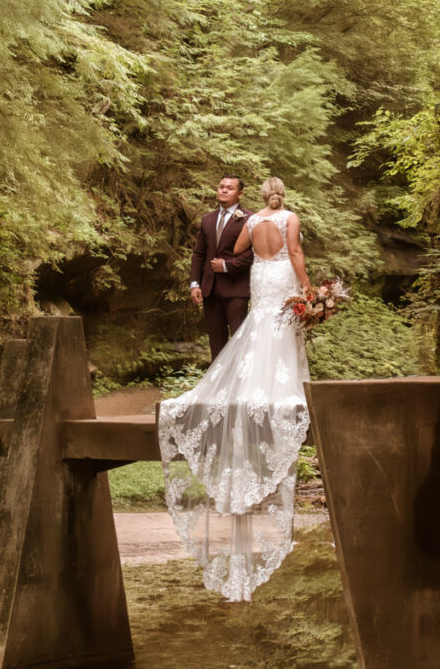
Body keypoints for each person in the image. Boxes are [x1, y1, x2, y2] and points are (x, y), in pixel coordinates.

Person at [158, 176, 312, 602]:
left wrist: (250, 256)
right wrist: (305, 286)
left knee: (258, 330)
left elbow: (238, 251)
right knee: (281, 330)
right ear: (285, 194)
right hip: (281, 273)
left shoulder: (253, 221)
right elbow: (295, 251)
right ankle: (282, 388)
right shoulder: (289, 219)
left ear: (258, 196)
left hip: (261, 278)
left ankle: (248, 384)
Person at [189, 175, 255, 360]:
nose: (224, 190)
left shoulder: (250, 219)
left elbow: (254, 253)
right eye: (221, 187)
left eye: (230, 188)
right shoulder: (207, 219)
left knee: (239, 341)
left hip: (237, 290)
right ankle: (218, 387)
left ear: (240, 193)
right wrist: (195, 283)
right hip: (210, 289)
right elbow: (199, 254)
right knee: (216, 343)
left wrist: (227, 266)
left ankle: (240, 383)